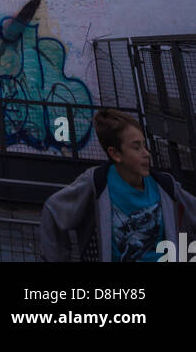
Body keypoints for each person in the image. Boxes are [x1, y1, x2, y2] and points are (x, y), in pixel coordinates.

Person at [40, 107, 196, 261]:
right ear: (115, 153)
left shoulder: (165, 185)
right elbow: (53, 210)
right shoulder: (96, 183)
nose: (146, 153)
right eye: (136, 147)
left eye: (144, 145)